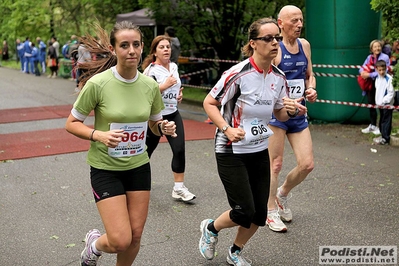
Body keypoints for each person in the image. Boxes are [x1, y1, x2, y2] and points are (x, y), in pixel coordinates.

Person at [65, 21, 177, 266]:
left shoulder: (149, 86)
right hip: (106, 168)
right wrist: (98, 135)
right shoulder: (98, 84)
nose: (131, 50)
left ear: (142, 47)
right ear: (113, 49)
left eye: (136, 44)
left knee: (135, 236)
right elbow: (72, 123)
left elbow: (155, 123)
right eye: (124, 45)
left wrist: (164, 127)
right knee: (119, 240)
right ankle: (94, 245)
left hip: (138, 166)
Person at [199, 17, 306, 265]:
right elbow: (209, 103)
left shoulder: (279, 77)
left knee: (259, 215)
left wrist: (290, 110)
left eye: (277, 38)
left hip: (258, 148)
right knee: (243, 211)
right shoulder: (237, 74)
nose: (275, 42)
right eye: (268, 38)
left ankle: (235, 251)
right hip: (230, 149)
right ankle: (211, 228)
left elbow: (278, 113)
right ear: (253, 43)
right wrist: (226, 128)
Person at [266, 5, 318, 233]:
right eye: (294, 21)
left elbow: (310, 75)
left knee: (307, 164)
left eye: (301, 20)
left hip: (298, 114)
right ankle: (269, 212)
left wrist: (311, 89)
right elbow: (264, 82)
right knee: (275, 165)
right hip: (276, 115)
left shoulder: (304, 45)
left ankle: (282, 194)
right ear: (281, 23)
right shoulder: (274, 49)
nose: (299, 24)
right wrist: (282, 100)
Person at [142, 35, 196, 202]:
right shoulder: (150, 71)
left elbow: (176, 86)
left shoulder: (173, 66)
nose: (166, 49)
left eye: (168, 47)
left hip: (173, 113)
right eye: (162, 47)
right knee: (146, 152)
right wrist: (164, 86)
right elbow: (144, 94)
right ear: (154, 52)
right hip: (155, 118)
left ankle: (178, 188)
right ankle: (136, 182)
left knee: (179, 149)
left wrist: (178, 94)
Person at [360, 40, 390, 135]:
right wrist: (362, 72)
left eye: (379, 46)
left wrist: (369, 74)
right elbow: (362, 67)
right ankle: (373, 125)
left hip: (381, 84)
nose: (377, 48)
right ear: (371, 49)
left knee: (381, 105)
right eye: (375, 47)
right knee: (371, 104)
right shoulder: (369, 57)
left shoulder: (384, 57)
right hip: (370, 85)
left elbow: (384, 70)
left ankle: (381, 127)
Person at [372, 60, 395, 145]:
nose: (381, 72)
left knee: (386, 120)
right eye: (380, 70)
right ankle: (383, 135)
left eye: (383, 69)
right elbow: (378, 90)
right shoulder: (377, 78)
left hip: (387, 104)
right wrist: (378, 102)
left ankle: (386, 138)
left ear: (386, 69)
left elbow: (391, 92)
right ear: (376, 69)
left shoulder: (389, 79)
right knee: (381, 119)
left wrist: (384, 101)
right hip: (380, 104)